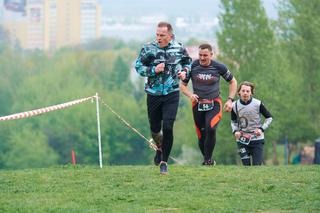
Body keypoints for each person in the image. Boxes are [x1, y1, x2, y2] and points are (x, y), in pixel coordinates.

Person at [135, 21, 192, 174]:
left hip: (172, 93)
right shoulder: (148, 49)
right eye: (157, 35)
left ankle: (164, 162)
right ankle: (159, 148)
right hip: (153, 94)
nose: (159, 38)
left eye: (162, 35)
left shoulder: (179, 47)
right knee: (155, 129)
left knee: (167, 127)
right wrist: (154, 69)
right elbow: (138, 67)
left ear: (170, 36)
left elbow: (188, 62)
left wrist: (185, 72)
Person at [180, 43, 237, 165]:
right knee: (201, 135)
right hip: (197, 104)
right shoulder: (193, 66)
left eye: (205, 55)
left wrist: (230, 100)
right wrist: (190, 95)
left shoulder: (219, 67)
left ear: (211, 55)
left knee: (210, 129)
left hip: (214, 103)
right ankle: (208, 160)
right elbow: (183, 86)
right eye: (200, 55)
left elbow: (233, 81)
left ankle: (207, 160)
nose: (202, 58)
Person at [231, 81, 273, 166]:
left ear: (251, 93)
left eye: (247, 91)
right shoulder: (234, 105)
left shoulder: (258, 103)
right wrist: (235, 131)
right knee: (246, 165)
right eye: (243, 91)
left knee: (256, 166)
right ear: (239, 92)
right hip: (242, 139)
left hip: (257, 139)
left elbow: (269, 118)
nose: (245, 93)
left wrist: (261, 129)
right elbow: (233, 122)